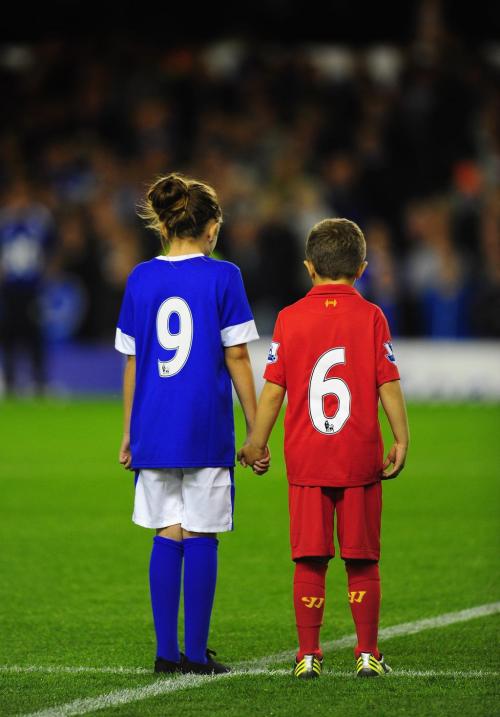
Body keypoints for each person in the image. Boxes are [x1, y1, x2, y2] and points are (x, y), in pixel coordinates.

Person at [238, 218, 409, 679]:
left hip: (307, 460)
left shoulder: (290, 318)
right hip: (359, 457)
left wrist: (257, 441)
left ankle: (308, 655)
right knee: (362, 557)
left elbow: (274, 388)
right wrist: (401, 437)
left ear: (309, 268)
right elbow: (387, 380)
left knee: (309, 557)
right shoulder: (372, 316)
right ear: (362, 268)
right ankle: (367, 653)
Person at [115, 173, 267, 675]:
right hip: (204, 427)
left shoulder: (140, 277)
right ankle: (196, 654)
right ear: (212, 227)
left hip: (154, 429)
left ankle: (165, 652)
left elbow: (134, 361)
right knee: (202, 533)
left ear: (164, 223)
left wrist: (127, 432)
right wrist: (255, 428)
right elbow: (238, 357)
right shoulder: (224, 277)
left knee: (168, 528)